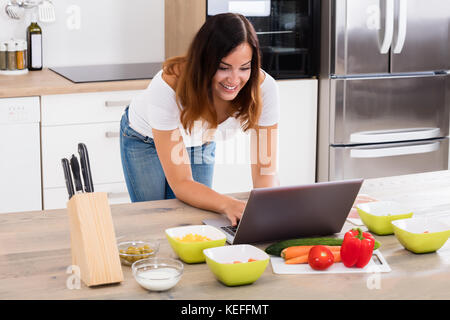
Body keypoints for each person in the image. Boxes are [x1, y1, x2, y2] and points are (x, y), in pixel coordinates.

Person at [120, 13, 280, 226]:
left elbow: (265, 171)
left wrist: (268, 211)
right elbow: (182, 183)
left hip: (199, 141)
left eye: (244, 67)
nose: (234, 79)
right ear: (204, 61)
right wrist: (228, 204)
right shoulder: (168, 85)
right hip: (145, 139)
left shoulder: (263, 89)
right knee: (157, 219)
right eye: (223, 67)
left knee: (194, 221)